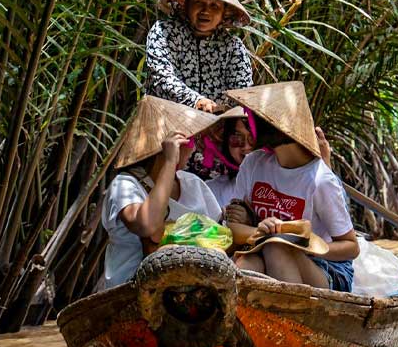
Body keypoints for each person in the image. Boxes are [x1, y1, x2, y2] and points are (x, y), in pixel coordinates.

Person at [224, 82, 359, 292]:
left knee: (276, 247)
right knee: (247, 263)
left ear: (276, 126)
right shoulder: (253, 164)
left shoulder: (320, 180)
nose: (248, 125)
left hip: (326, 269)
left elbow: (351, 247)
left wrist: (302, 243)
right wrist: (263, 231)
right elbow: (232, 227)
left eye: (254, 119)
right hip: (266, 251)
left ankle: (296, 318)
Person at [102, 96, 221, 289]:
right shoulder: (125, 184)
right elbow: (147, 225)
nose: (193, 149)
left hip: (195, 286)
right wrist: (168, 162)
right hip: (132, 289)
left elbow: (218, 233)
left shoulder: (192, 183)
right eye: (188, 141)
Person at [146, 0, 253, 113]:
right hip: (165, 121)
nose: (205, 11)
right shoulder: (164, 31)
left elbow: (242, 94)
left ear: (224, 13)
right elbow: (160, 77)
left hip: (213, 128)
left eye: (214, 6)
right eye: (199, 3)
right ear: (186, 5)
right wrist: (197, 101)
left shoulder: (233, 47)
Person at [203, 107, 256, 208]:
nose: (246, 146)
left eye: (253, 138)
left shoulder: (287, 186)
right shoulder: (211, 191)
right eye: (236, 138)